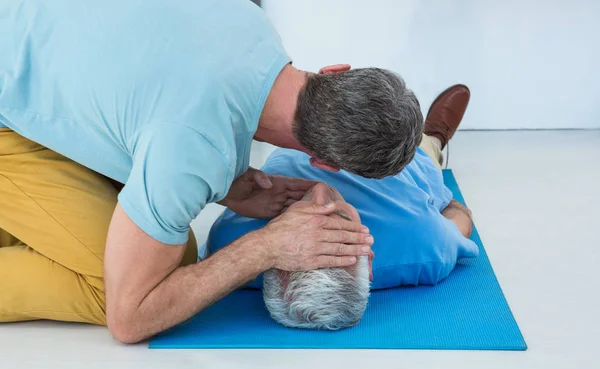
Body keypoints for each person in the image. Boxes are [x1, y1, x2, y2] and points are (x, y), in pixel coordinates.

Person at [0, 0, 425, 343]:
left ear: (335, 71)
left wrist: (228, 184)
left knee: (158, 248)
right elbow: (128, 320)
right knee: (130, 284)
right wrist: (266, 247)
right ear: (326, 163)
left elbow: (154, 86)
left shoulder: (249, 20)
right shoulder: (195, 147)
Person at [204, 85, 479, 330]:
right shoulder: (425, 245)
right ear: (369, 261)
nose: (320, 191)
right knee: (426, 153)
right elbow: (460, 218)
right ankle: (434, 136)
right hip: (405, 163)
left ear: (265, 266)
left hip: (312, 130)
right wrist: (441, 201)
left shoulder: (228, 242)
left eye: (301, 220)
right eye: (337, 218)